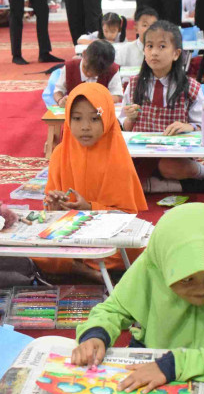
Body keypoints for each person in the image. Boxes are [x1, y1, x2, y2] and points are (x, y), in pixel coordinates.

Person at [72, 203, 204, 390]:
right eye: (186, 279)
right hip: (150, 361)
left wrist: (174, 366)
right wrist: (95, 335)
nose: (201, 289)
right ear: (163, 267)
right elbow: (113, 310)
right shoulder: (151, 267)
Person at [39, 83, 147, 276]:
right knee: (38, 250)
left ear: (107, 119)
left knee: (136, 247)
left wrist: (89, 208)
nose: (85, 127)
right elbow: (50, 210)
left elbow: (127, 216)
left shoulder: (117, 157)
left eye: (94, 119)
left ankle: (77, 268)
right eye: (77, 118)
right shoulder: (59, 154)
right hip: (70, 230)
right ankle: (87, 270)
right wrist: (54, 205)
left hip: (106, 232)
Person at [120, 21, 204, 192]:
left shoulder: (190, 87)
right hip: (141, 154)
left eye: (161, 47)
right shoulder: (134, 84)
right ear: (144, 51)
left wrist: (188, 126)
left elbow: (203, 127)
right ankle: (169, 186)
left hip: (175, 155)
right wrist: (130, 118)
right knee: (115, 169)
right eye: (149, 46)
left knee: (168, 166)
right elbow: (125, 128)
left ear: (176, 54)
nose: (154, 53)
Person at [54, 40, 122, 106]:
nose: (89, 74)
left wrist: (100, 101)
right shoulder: (69, 67)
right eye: (86, 68)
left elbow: (117, 95)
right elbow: (58, 91)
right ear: (84, 53)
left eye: (96, 72)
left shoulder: (112, 70)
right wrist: (60, 100)